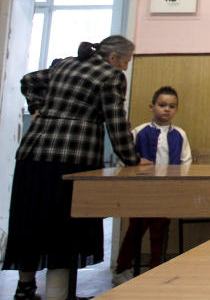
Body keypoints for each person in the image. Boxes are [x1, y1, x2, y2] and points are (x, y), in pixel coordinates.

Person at [4, 36, 148, 300]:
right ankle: (59, 295)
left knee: (30, 222)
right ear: (114, 58)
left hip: (31, 154)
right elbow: (115, 122)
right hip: (71, 157)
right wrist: (132, 159)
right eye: (126, 61)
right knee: (63, 228)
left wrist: (36, 107)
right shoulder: (110, 76)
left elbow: (29, 79)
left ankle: (25, 288)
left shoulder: (65, 64)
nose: (126, 68)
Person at [112, 86, 192, 285]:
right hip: (141, 192)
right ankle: (122, 269)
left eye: (172, 106)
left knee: (160, 230)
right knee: (135, 230)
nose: (167, 110)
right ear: (152, 106)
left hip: (166, 192)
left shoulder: (180, 134)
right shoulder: (138, 132)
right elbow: (124, 161)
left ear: (177, 109)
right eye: (162, 105)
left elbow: (186, 161)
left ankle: (156, 269)